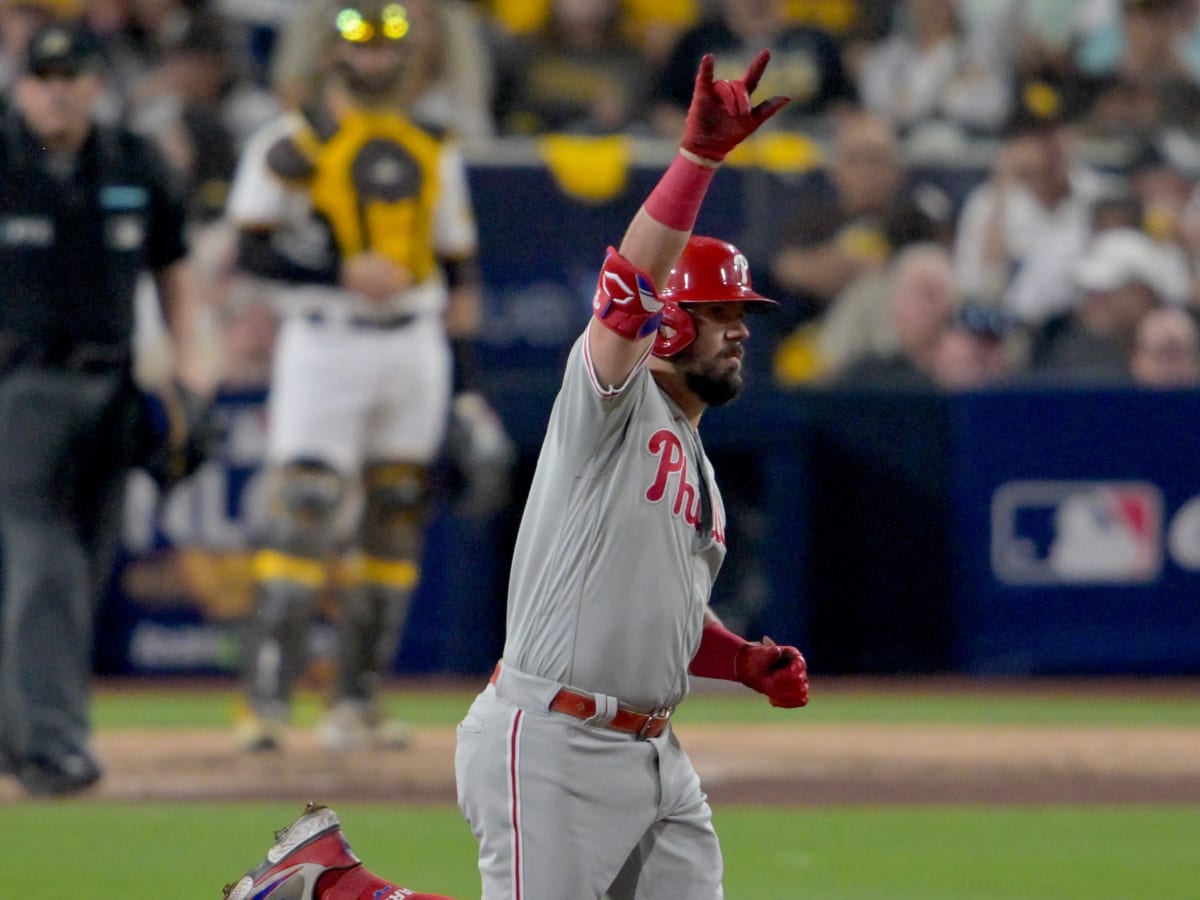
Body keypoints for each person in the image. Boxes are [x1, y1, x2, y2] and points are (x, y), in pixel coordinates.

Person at [220, 49, 808, 900]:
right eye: (716, 313)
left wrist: (741, 660)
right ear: (668, 326)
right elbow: (629, 286)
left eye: (741, 314)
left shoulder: (698, 467)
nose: (738, 330)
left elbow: (665, 615)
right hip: (556, 738)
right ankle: (336, 888)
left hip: (655, 752)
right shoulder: (609, 401)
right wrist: (698, 161)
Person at [225, 0, 484, 753]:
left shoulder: (435, 146)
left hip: (414, 340)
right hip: (325, 340)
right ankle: (267, 702)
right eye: (361, 47)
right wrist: (341, 269)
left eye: (386, 48)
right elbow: (252, 252)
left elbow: (459, 268)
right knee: (305, 505)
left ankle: (357, 700)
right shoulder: (290, 145)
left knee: (396, 511)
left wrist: (468, 392)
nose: (373, 62)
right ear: (334, 54)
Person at [0, 20, 205, 795]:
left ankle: (15, 734)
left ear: (95, 84)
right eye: (44, 77)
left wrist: (188, 379)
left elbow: (175, 277)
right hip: (19, 383)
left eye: (72, 76)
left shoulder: (133, 160)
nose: (57, 90)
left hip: (114, 381)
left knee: (82, 562)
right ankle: (52, 746)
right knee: (44, 554)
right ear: (22, 85)